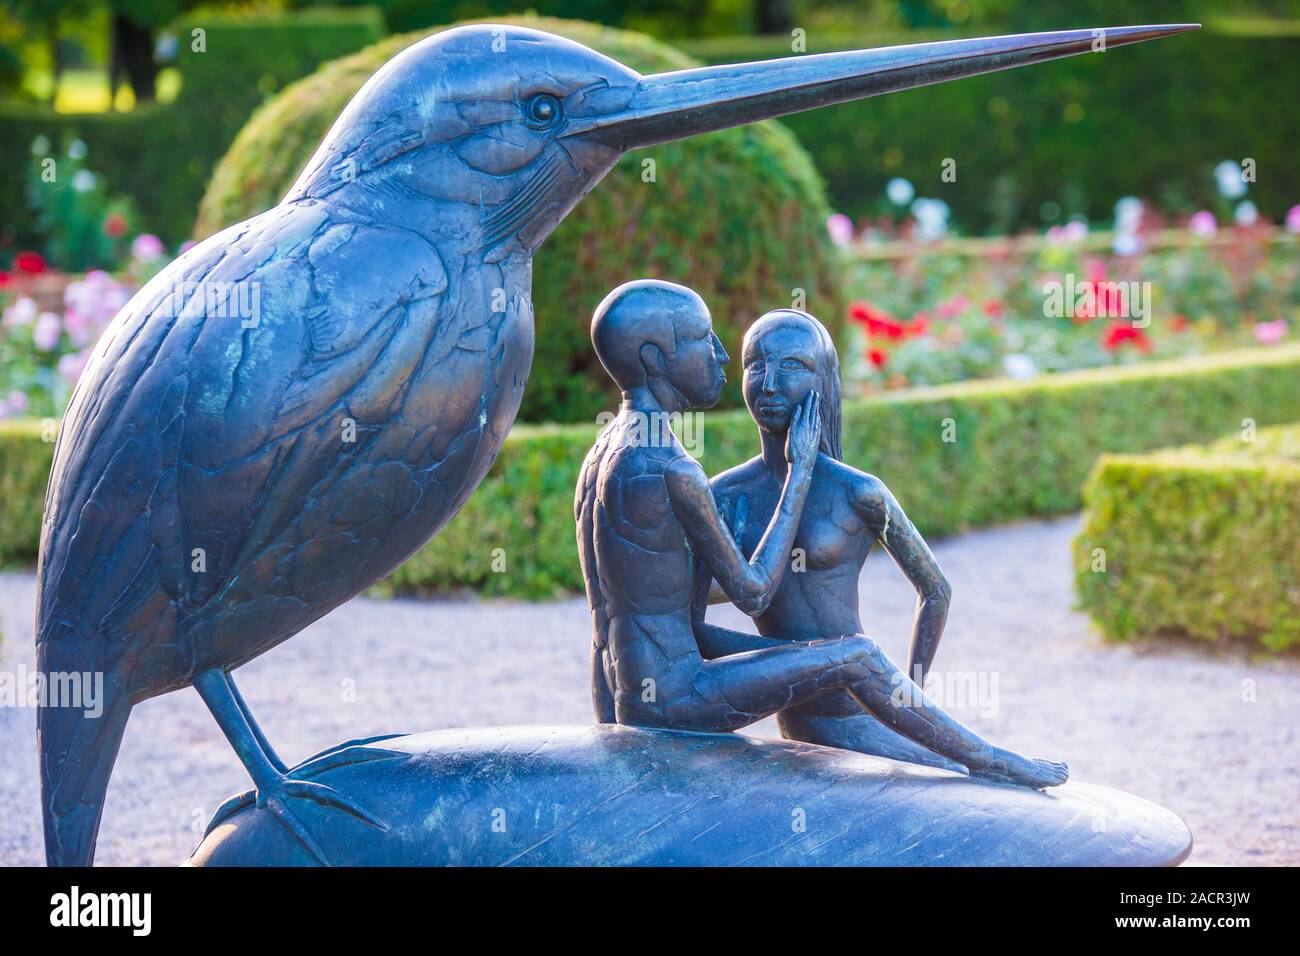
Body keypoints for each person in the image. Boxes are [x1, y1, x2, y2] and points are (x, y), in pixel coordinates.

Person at [576, 281, 1067, 788]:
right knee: (856, 653)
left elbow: (669, 620)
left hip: (623, 691)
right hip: (678, 697)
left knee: (848, 662)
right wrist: (799, 472)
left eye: (791, 367)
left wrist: (806, 663)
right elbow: (753, 591)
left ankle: (969, 749)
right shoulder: (679, 471)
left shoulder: (604, 453)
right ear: (656, 359)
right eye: (707, 339)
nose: (721, 354)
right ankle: (993, 759)